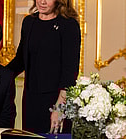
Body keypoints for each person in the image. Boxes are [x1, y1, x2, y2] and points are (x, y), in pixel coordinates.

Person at [6, 0, 80, 134]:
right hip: (30, 99)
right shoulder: (29, 22)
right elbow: (20, 61)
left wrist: (59, 108)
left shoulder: (69, 25)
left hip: (56, 101)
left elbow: (70, 72)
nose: (42, 1)